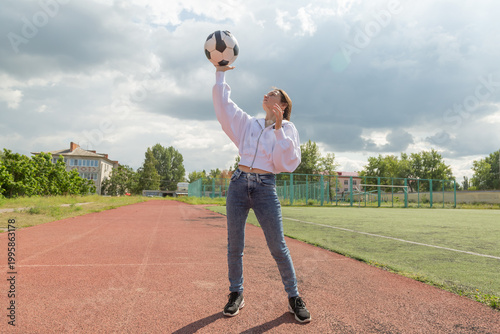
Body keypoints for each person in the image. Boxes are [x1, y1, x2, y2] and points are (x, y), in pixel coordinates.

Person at [212, 64, 311, 323]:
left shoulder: (288, 129)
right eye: (267, 93)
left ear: (283, 104)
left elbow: (287, 163)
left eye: (273, 93)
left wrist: (278, 129)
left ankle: (294, 297)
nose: (267, 95)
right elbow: (224, 107)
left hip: (265, 187)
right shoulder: (249, 124)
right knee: (235, 245)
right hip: (238, 183)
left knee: (277, 245)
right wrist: (220, 72)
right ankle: (236, 294)